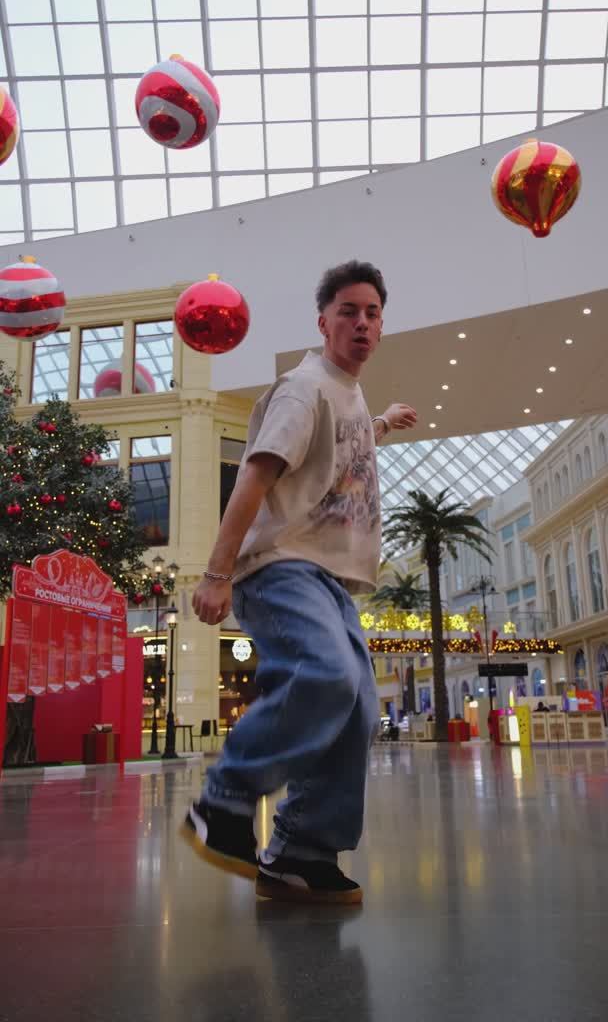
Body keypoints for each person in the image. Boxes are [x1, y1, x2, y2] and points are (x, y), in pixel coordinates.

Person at [182, 259, 416, 905]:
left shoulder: (347, 394)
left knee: (358, 708)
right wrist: (217, 573)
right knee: (325, 673)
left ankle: (301, 852)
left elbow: (343, 447)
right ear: (323, 322)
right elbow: (254, 478)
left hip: (328, 577)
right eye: (348, 311)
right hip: (280, 565)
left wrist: (384, 421)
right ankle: (224, 800)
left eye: (372, 313)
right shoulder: (303, 388)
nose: (362, 323)